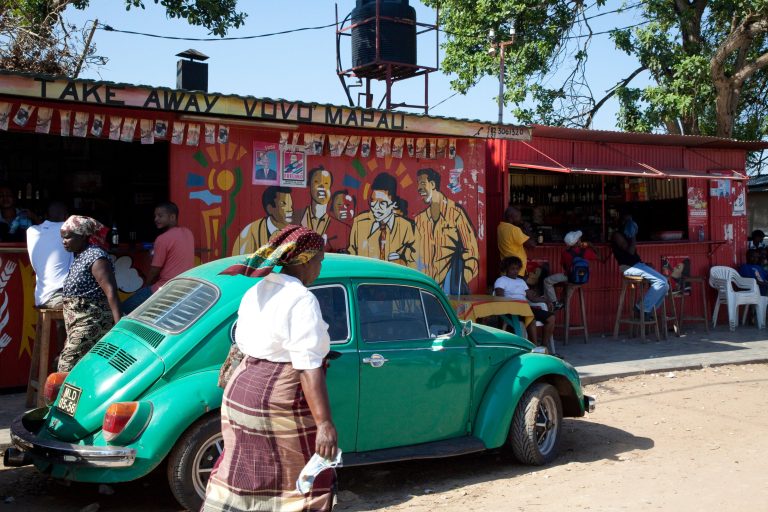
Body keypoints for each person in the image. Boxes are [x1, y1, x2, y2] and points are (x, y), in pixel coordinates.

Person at [203, 225, 337, 511]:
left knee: (245, 472)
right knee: (306, 482)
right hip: (276, 400)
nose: (320, 268)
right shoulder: (302, 299)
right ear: (305, 260)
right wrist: (324, 424)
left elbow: (242, 340)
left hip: (240, 394)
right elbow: (307, 367)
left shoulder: (258, 289)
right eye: (320, 260)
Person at [59, 216, 121, 372]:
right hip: (79, 321)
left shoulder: (96, 257)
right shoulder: (81, 255)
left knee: (67, 363)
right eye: (62, 238)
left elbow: (111, 292)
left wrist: (119, 325)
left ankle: (61, 397)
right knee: (83, 367)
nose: (64, 241)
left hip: (93, 320)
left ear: (83, 236)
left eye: (68, 237)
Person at [121, 202, 195, 314]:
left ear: (172, 217)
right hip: (185, 285)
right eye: (155, 216)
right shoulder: (188, 233)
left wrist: (146, 286)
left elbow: (155, 269)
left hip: (166, 287)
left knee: (123, 309)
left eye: (160, 216)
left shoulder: (162, 239)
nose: (156, 219)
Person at [414, 168, 479, 294]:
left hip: (449, 291)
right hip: (425, 288)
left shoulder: (456, 214)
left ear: (432, 185)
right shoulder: (420, 220)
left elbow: (471, 253)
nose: (418, 188)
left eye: (422, 183)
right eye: (418, 184)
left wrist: (459, 281)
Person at [348, 172, 416, 267]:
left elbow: (414, 263)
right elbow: (351, 258)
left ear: (393, 204)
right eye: (373, 201)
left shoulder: (406, 227)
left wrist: (402, 262)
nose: (376, 207)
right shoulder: (359, 223)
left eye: (382, 203)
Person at [495, 256, 556, 355]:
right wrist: (514, 303)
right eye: (512, 269)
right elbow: (499, 297)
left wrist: (546, 301)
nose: (515, 271)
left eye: (517, 269)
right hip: (512, 310)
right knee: (530, 318)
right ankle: (534, 348)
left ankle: (543, 346)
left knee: (551, 317)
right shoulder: (501, 280)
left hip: (526, 308)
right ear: (506, 269)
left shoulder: (521, 281)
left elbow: (532, 298)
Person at [611, 229, 669, 321]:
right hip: (628, 267)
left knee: (665, 285)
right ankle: (641, 308)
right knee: (661, 282)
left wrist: (644, 264)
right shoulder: (617, 234)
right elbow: (630, 251)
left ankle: (647, 311)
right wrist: (634, 237)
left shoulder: (626, 234)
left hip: (637, 265)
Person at [26, 201, 73, 308]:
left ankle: (61, 325)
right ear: (67, 217)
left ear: (46, 216)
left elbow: (46, 228)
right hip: (59, 295)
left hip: (41, 296)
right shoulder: (69, 232)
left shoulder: (31, 231)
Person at [543, 230, 601, 309]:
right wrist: (591, 246)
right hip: (583, 279)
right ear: (577, 242)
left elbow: (564, 266)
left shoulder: (565, 253)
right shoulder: (587, 251)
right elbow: (599, 257)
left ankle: (555, 302)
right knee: (568, 291)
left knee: (547, 281)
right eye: (580, 239)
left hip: (569, 278)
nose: (581, 240)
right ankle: (564, 301)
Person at [232, 186, 294, 255]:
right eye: (283, 204)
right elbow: (240, 261)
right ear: (270, 208)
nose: (290, 209)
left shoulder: (296, 232)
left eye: (290, 205)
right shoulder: (250, 233)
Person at [498, 206, 536, 277]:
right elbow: (532, 245)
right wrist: (528, 230)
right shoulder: (514, 230)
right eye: (519, 216)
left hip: (506, 267)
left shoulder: (500, 227)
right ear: (511, 217)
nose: (521, 219)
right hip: (516, 270)